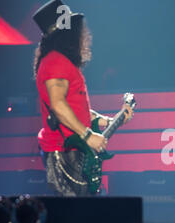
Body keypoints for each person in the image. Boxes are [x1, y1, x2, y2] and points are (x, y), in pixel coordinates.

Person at [32, 0, 133, 196]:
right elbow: (58, 105)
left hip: (73, 152)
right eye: (76, 29)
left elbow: (75, 108)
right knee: (76, 215)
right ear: (65, 32)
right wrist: (87, 135)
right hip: (65, 153)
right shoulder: (55, 61)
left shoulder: (62, 61)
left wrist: (110, 121)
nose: (82, 35)